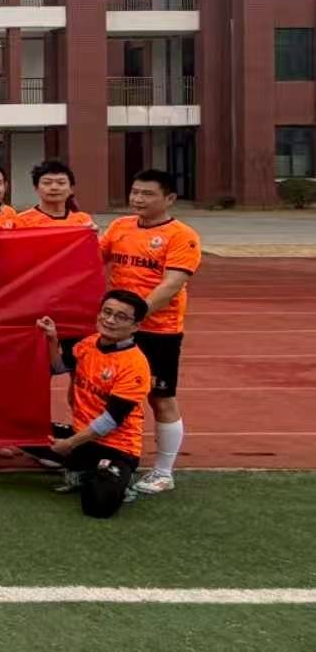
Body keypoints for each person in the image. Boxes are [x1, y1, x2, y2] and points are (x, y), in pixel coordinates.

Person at [99, 168, 200, 496]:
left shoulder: (181, 236)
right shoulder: (120, 226)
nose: (138, 199)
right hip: (116, 329)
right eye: (135, 192)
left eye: (147, 194)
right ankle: (107, 460)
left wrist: (133, 316)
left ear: (169, 199)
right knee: (106, 393)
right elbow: (90, 258)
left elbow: (171, 285)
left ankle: (163, 471)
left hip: (159, 331)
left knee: (161, 398)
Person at [32, 291, 154, 518]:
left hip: (116, 447)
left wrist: (69, 444)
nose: (110, 320)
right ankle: (84, 469)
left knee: (97, 507)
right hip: (81, 435)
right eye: (107, 312)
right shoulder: (88, 344)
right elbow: (60, 368)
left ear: (136, 326)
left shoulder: (135, 365)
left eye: (120, 317)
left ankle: (109, 475)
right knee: (22, 429)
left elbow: (111, 420)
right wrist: (52, 339)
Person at [15, 159, 96, 229]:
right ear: (36, 188)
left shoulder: (83, 220)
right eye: (47, 183)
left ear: (71, 189)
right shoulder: (22, 221)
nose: (54, 187)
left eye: (61, 183)